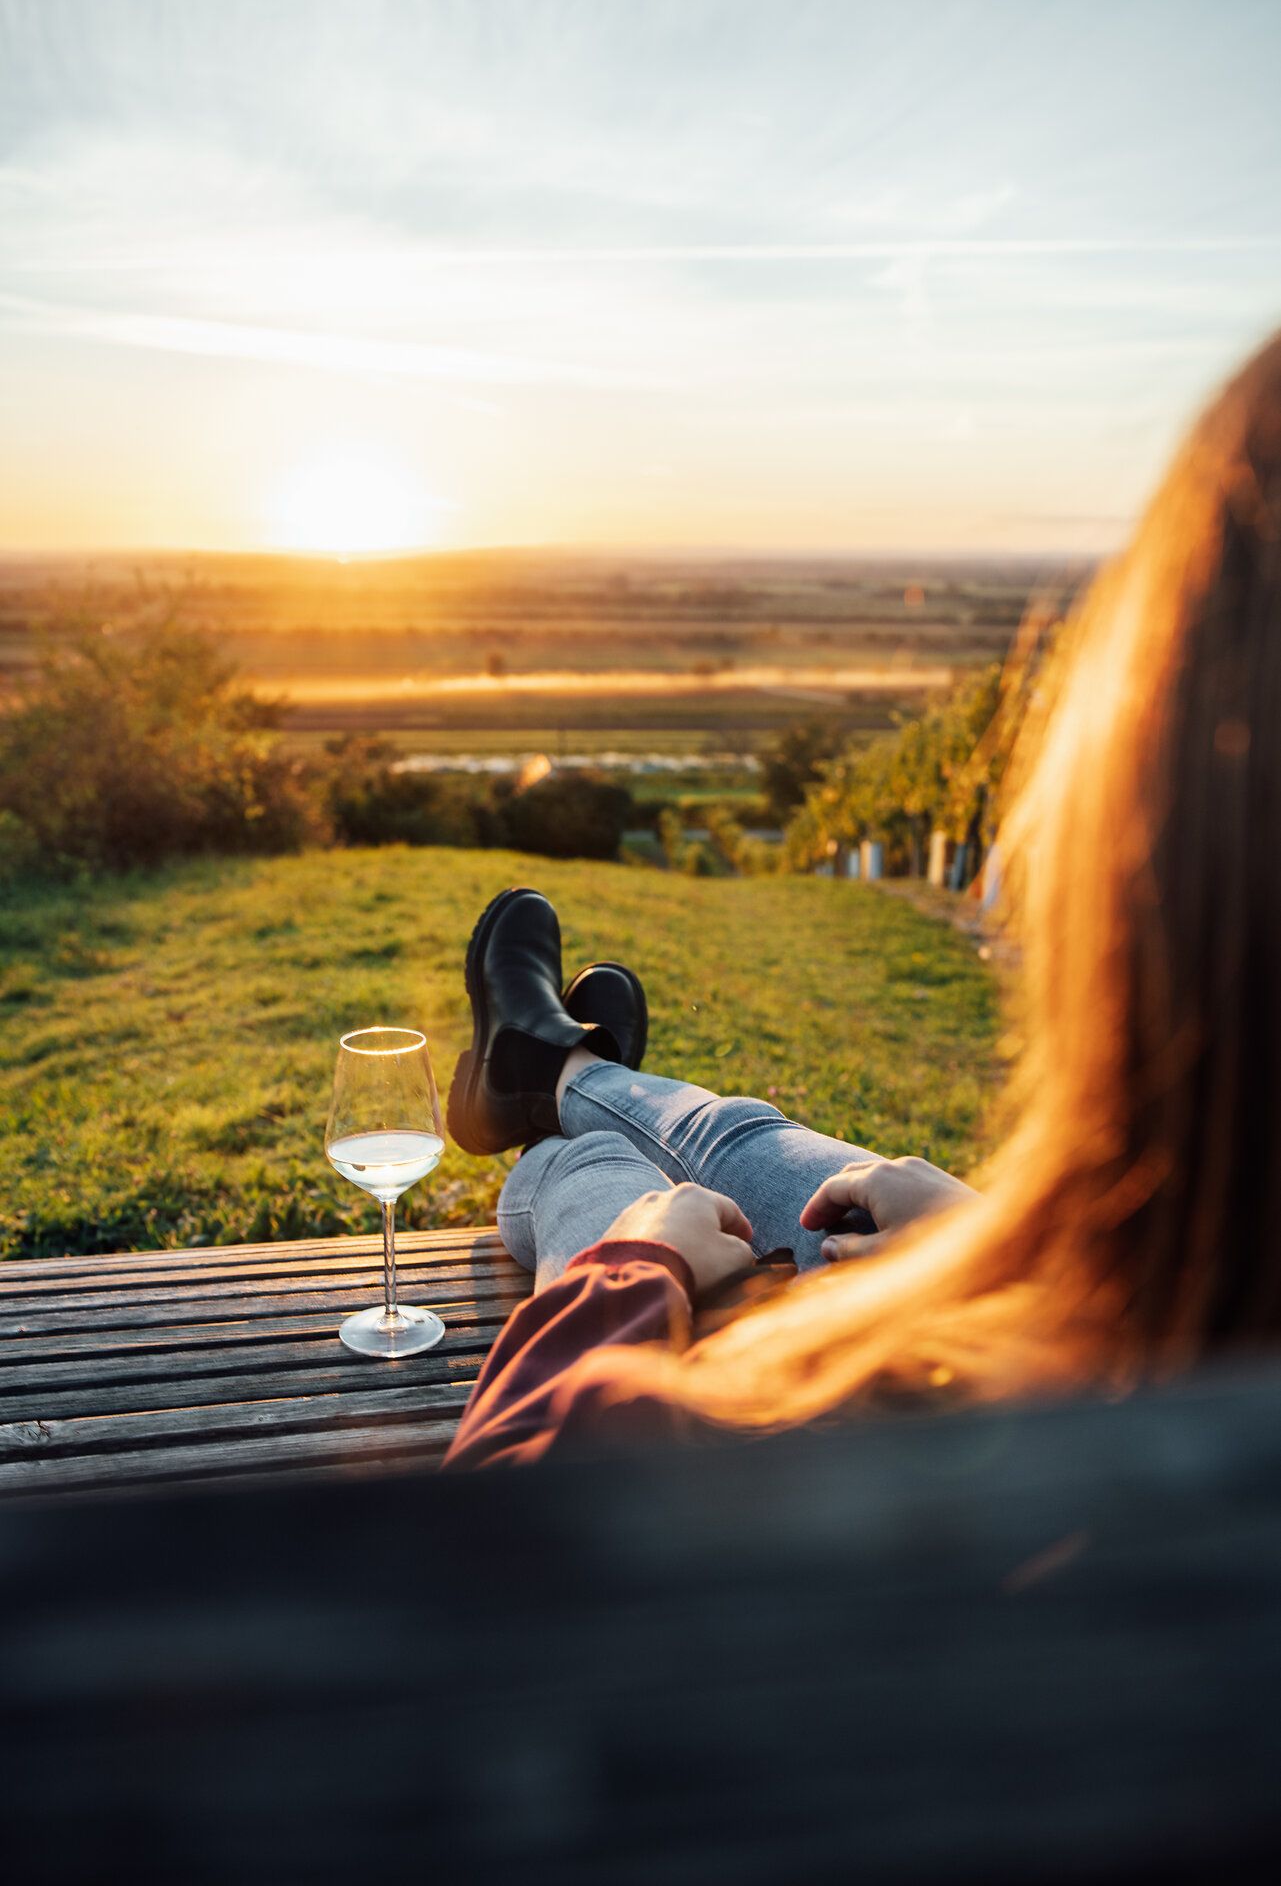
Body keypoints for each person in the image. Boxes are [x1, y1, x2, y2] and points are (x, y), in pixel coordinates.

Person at [444, 329, 1281, 1470]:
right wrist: (994, 1240)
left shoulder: (997, 1450)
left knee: (596, 1178)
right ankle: (553, 1072)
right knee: (751, 1139)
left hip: (1014, 1353)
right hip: (1108, 1294)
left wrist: (636, 1271)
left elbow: (505, 1534)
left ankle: (549, 1091)